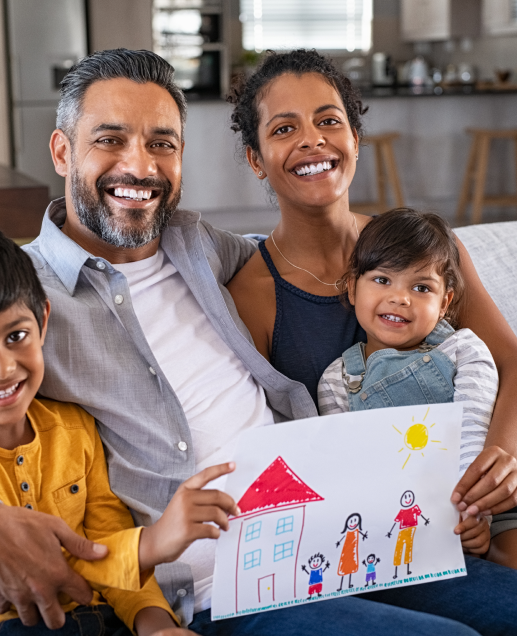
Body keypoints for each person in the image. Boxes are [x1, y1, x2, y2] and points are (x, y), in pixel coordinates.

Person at [0, 49, 507, 636]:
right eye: (110, 140)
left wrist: (398, 261)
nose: (139, 166)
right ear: (62, 152)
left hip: (342, 536)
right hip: (222, 588)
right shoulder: (11, 302)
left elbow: (317, 255)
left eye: (162, 144)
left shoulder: (201, 245)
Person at [226, 48, 517, 572]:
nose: (312, 139)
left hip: (486, 497)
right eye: (284, 128)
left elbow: (512, 361)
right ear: (255, 159)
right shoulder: (252, 295)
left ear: (354, 139)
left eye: (329, 120)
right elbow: (265, 449)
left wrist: (498, 462)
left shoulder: (429, 249)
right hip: (370, 532)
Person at [0, 222, 242, 636]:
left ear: (43, 321)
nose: (2, 368)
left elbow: (109, 531)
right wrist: (151, 545)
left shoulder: (73, 428)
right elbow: (28, 570)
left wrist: (155, 624)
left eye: (16, 336)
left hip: (97, 622)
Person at [317, 208, 497, 556]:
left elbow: (472, 444)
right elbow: (346, 471)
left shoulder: (464, 351)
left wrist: (474, 516)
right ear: (353, 288)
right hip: (390, 527)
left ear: (445, 303)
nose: (400, 298)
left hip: (468, 511)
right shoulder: (337, 380)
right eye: (383, 280)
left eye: (421, 287)